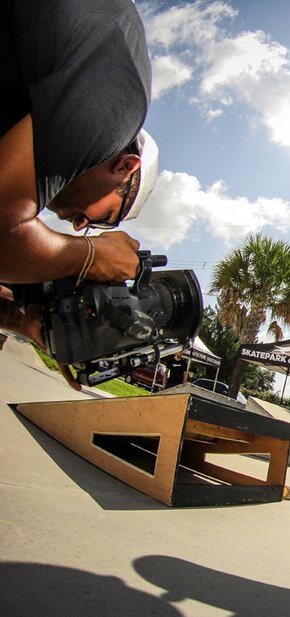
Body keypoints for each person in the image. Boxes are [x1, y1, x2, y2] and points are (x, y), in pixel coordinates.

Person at [0, 0, 159, 390]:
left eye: (88, 229)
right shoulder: (116, 110)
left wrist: (25, 322)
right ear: (126, 168)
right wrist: (90, 255)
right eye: (104, 218)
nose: (79, 224)